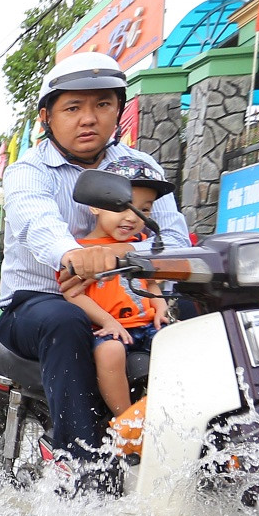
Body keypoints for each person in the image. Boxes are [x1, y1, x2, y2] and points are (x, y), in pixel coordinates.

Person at [0, 52, 190, 471]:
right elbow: (38, 224)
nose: (89, 118)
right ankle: (82, 465)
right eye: (73, 108)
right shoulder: (29, 171)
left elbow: (172, 237)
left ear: (118, 110)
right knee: (66, 322)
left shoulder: (141, 168)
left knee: (208, 312)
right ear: (47, 117)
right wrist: (74, 256)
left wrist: (122, 257)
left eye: (102, 104)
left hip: (133, 299)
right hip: (39, 302)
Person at [67, 176, 172, 416]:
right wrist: (108, 321)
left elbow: (152, 284)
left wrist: (160, 307)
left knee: (178, 342)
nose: (133, 217)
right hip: (107, 328)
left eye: (143, 209)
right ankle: (126, 420)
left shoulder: (143, 245)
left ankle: (173, 414)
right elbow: (73, 294)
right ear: (94, 206)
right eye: (122, 206)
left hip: (146, 324)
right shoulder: (80, 251)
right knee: (109, 352)